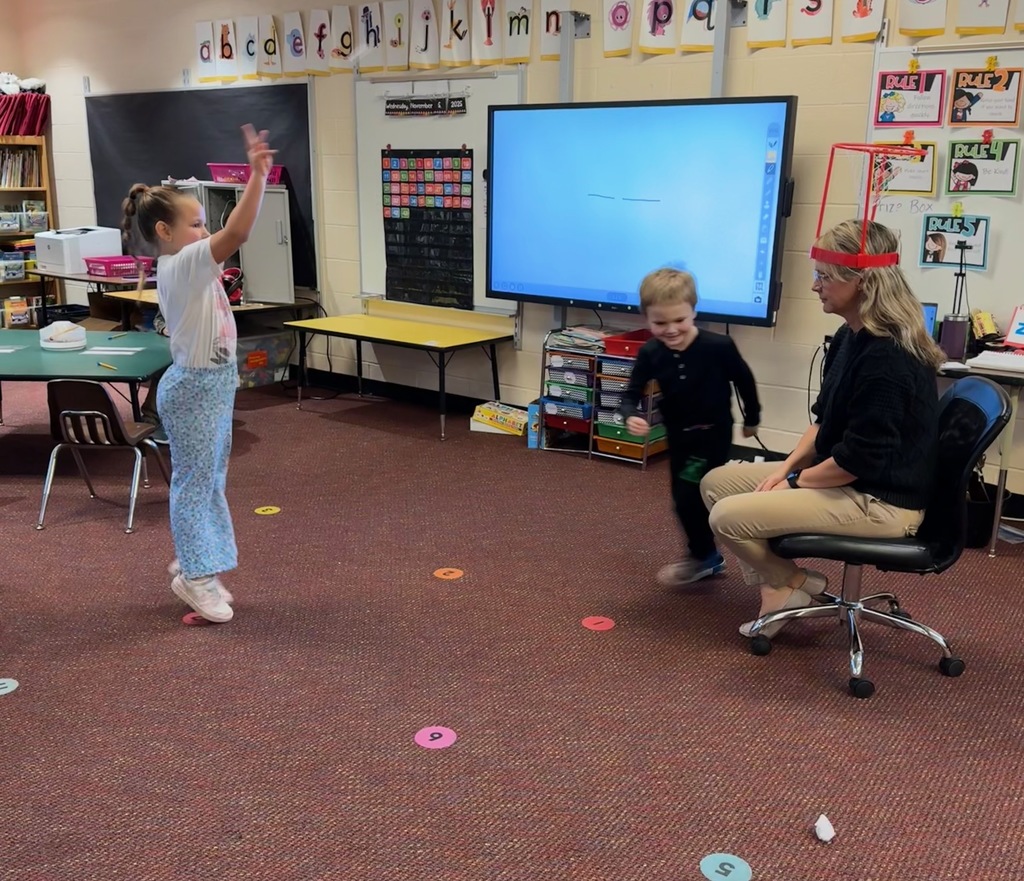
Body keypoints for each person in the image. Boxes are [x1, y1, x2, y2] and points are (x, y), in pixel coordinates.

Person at [700, 219, 944, 638]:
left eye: (825, 277)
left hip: (881, 501)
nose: (815, 286)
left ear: (862, 282)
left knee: (727, 517)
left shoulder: (888, 359)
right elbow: (824, 422)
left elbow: (856, 461)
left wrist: (793, 483)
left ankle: (787, 586)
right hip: (848, 477)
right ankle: (787, 584)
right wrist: (784, 469)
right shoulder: (850, 336)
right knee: (716, 484)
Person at [119, 124, 275, 623]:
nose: (204, 233)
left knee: (209, 481)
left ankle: (197, 558)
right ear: (165, 232)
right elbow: (239, 233)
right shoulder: (181, 264)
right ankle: (195, 574)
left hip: (212, 384)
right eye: (195, 224)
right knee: (194, 483)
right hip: (194, 389)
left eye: (204, 224)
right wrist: (257, 177)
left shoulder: (188, 263)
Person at [619, 268, 761, 587]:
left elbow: (744, 381)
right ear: (647, 318)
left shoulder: (718, 346)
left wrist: (752, 417)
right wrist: (630, 415)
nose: (671, 330)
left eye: (680, 320)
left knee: (687, 497)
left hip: (713, 433)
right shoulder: (651, 352)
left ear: (694, 311)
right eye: (660, 323)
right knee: (685, 496)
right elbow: (630, 394)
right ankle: (708, 551)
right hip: (679, 436)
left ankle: (704, 555)